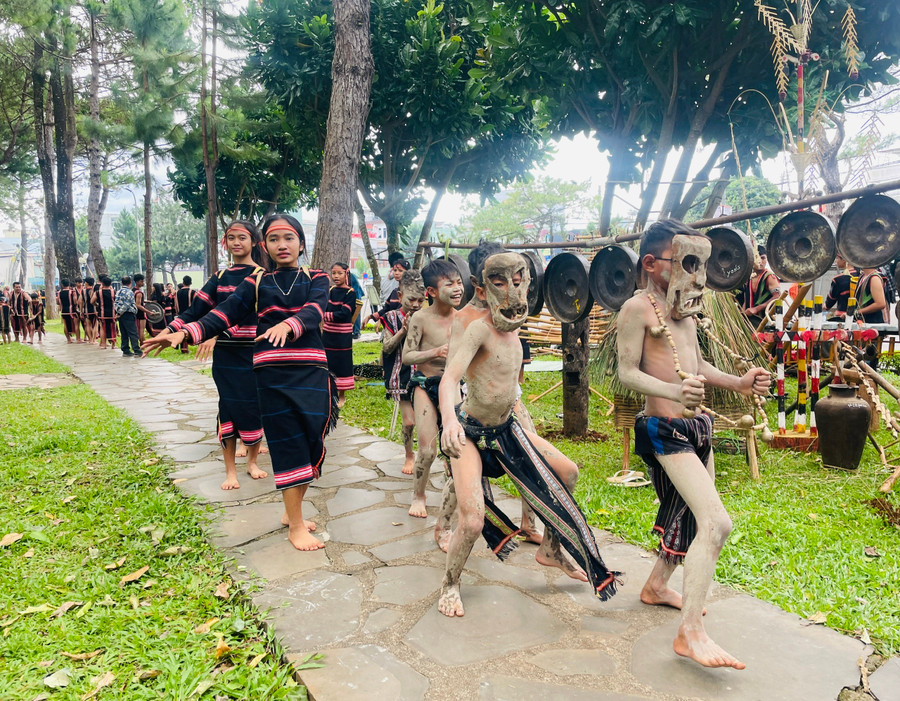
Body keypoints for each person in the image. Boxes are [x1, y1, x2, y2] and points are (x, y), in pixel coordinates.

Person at [616, 219, 770, 670]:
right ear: (652, 263)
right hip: (663, 431)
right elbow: (627, 373)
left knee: (685, 514)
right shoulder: (638, 310)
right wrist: (672, 393)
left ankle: (657, 587)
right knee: (716, 523)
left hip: (695, 429)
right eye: (686, 262)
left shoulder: (683, 311)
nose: (698, 275)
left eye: (699, 263)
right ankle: (690, 633)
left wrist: (739, 383)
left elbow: (696, 364)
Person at [437, 251, 619, 618]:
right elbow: (449, 378)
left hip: (508, 427)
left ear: (528, 285)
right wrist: (449, 421)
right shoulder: (477, 328)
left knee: (567, 472)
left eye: (518, 282)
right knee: (471, 520)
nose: (511, 293)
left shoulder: (515, 327)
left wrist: (517, 411)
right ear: (483, 288)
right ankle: (450, 583)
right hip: (472, 433)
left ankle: (551, 548)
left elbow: (506, 381)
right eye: (500, 284)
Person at [144, 214, 334, 551]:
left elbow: (316, 310)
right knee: (288, 444)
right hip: (271, 375)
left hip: (312, 373)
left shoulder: (316, 278)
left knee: (311, 444)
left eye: (289, 238)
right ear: (266, 246)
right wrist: (181, 332)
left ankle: (293, 514)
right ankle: (295, 525)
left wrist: (289, 325)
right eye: (274, 239)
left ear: (301, 243)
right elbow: (223, 313)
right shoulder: (256, 283)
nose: (282, 245)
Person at [166, 221, 269, 490]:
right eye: (231, 238)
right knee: (227, 407)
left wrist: (216, 334)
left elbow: (258, 316)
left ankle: (252, 462)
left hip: (255, 354)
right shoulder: (220, 278)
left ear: (254, 243)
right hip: (226, 358)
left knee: (254, 407)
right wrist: (171, 329)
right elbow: (196, 311)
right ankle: (230, 471)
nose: (236, 243)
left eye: (242, 238)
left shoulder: (263, 276)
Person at [402, 258, 464, 518]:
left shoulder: (464, 318)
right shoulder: (420, 318)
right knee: (427, 450)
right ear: (432, 292)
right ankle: (419, 495)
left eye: (459, 282)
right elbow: (407, 356)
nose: (457, 288)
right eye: (449, 284)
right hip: (425, 384)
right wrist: (435, 352)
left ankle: (459, 497)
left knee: (458, 448)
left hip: (453, 387)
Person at [381, 269, 426, 476]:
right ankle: (409, 454)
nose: (416, 305)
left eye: (420, 300)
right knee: (409, 421)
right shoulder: (390, 317)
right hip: (402, 375)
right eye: (411, 300)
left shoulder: (428, 317)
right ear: (400, 296)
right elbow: (387, 347)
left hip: (425, 374)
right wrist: (403, 331)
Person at [322, 262, 358, 408]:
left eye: (339, 273)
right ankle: (330, 392)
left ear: (346, 274)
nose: (336, 276)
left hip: (342, 336)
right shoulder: (330, 290)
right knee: (328, 361)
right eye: (334, 273)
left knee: (342, 362)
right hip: (328, 334)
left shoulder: (351, 293)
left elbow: (344, 313)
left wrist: (325, 315)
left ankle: (342, 395)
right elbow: (324, 306)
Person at [737, 245, 780, 328]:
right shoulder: (749, 277)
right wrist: (741, 312)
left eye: (763, 258)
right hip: (749, 322)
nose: (760, 261)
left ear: (767, 259)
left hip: (766, 322)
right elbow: (747, 298)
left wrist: (756, 309)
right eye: (756, 257)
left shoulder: (769, 277)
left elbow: (778, 297)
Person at [115, 276, 142, 357]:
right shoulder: (129, 292)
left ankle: (125, 349)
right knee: (133, 332)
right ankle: (137, 350)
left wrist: (118, 312)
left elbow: (116, 303)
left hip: (121, 315)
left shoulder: (118, 291)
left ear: (121, 283)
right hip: (128, 313)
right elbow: (127, 304)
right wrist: (121, 312)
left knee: (124, 333)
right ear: (130, 283)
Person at [94, 276, 117, 349]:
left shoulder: (98, 292)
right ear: (110, 284)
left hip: (102, 313)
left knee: (102, 328)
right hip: (112, 313)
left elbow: (92, 301)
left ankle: (104, 344)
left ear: (102, 283)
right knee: (113, 328)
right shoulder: (114, 292)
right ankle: (113, 345)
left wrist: (97, 305)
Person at [175, 276, 195, 354]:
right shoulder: (192, 292)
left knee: (181, 330)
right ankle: (185, 348)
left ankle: (182, 347)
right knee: (187, 331)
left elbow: (176, 305)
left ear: (183, 283)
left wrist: (177, 313)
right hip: (189, 314)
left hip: (180, 314)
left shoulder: (178, 292)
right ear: (190, 283)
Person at [57, 279, 80, 344]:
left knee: (65, 325)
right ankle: (78, 339)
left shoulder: (59, 293)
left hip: (64, 311)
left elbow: (58, 302)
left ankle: (68, 339)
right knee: (76, 325)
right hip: (73, 311)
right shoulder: (72, 292)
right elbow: (75, 301)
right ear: (69, 284)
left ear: (62, 285)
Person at [133, 274, 150, 340]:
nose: (143, 283)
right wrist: (148, 312)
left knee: (138, 329)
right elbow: (138, 305)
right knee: (141, 330)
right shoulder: (139, 292)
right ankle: (142, 344)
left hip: (135, 313)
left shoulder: (133, 290)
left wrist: (146, 301)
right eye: (142, 281)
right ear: (137, 282)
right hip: (141, 313)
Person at [82, 277, 98, 344]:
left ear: (86, 283)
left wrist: (81, 310)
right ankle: (94, 340)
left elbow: (80, 301)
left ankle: (90, 339)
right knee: (95, 325)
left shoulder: (83, 291)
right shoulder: (95, 291)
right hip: (95, 310)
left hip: (87, 310)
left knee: (88, 325)